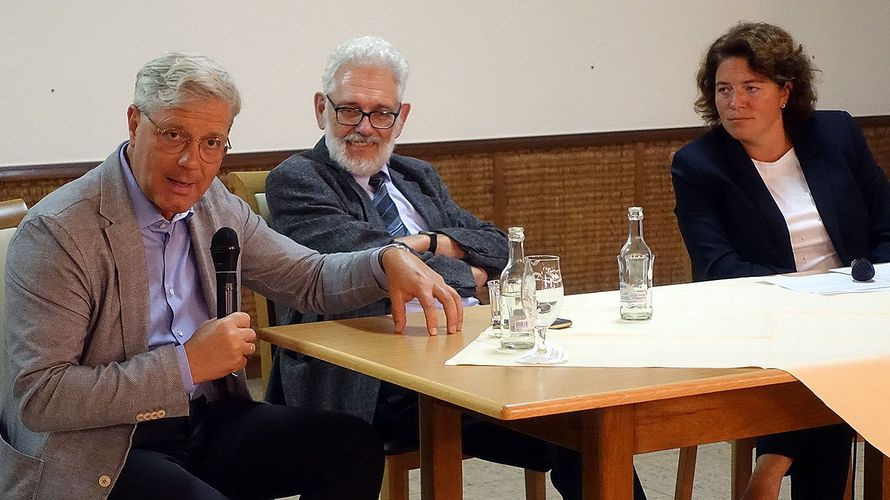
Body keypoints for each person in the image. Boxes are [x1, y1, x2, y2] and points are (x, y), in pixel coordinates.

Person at [0, 51, 464, 500]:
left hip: (205, 421)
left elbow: (308, 277)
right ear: (134, 123)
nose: (192, 161)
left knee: (353, 446)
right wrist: (186, 364)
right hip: (104, 448)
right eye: (174, 135)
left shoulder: (213, 204)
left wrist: (385, 260)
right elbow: (41, 396)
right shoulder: (60, 232)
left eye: (211, 143)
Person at [264, 36, 647, 499]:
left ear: (401, 118)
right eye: (349, 110)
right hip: (372, 373)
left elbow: (503, 247)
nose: (365, 127)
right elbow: (377, 267)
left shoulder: (416, 175)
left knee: (587, 418)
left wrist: (432, 240)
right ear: (321, 108)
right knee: (569, 424)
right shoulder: (297, 179)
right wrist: (470, 272)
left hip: (466, 347)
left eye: (381, 112)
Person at [672, 22, 890, 499]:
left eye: (752, 88)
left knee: (843, 346)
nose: (735, 102)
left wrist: (869, 286)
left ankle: (772, 462)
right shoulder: (699, 164)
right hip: (765, 314)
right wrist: (807, 296)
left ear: (786, 91)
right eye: (724, 89)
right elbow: (715, 267)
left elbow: (886, 226)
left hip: (858, 300)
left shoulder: (835, 133)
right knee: (833, 352)